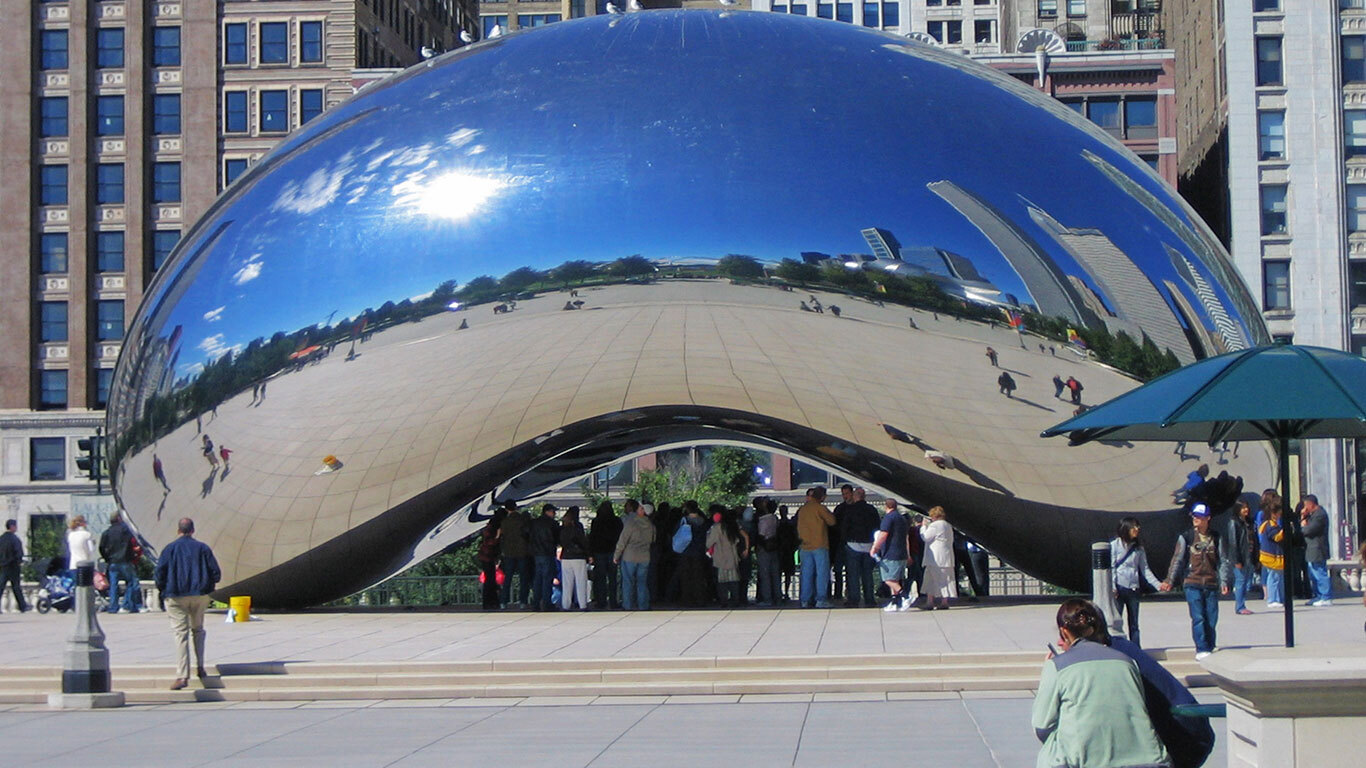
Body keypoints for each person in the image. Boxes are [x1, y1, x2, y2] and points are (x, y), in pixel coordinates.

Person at [1057, 600, 1213, 768]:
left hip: (1180, 735)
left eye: (1063, 637)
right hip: (1190, 727)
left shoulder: (1112, 660)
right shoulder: (1120, 647)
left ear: (1066, 633)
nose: (1059, 643)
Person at [1032, 599, 1172, 768]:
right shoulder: (1127, 662)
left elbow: (1042, 726)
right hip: (1147, 760)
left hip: (1082, 761)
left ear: (1065, 632)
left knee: (1050, 754)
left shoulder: (1056, 666)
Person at [154, 518, 221, 690]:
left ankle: (182, 675)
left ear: (178, 531)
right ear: (192, 530)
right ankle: (200, 667)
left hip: (175, 595)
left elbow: (160, 573)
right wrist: (207, 587)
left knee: (180, 634)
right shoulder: (203, 548)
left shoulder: (169, 549)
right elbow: (216, 573)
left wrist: (163, 590)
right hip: (199, 594)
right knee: (198, 630)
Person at [1161, 503, 1227, 660]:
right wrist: (1170, 579)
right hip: (1192, 582)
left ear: (1207, 518)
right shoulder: (1186, 537)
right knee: (1198, 617)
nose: (1196, 519)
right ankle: (1201, 648)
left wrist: (1224, 581)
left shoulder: (1216, 537)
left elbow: (1223, 560)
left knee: (1211, 618)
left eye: (1199, 517)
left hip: (1211, 583)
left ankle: (1210, 645)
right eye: (1194, 516)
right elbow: (1177, 559)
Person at [1109, 517, 1163, 647]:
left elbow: (1145, 569)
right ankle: (1116, 647)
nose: (1137, 529)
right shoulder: (1114, 546)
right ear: (1125, 528)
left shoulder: (1138, 548)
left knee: (1134, 623)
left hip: (1133, 588)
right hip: (1119, 588)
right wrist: (1113, 586)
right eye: (1133, 526)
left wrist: (1158, 585)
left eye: (1138, 526)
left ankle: (1136, 648)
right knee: (1116, 621)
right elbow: (1111, 568)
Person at [796, 486, 836, 609]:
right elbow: (832, 521)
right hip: (820, 544)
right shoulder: (820, 508)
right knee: (821, 574)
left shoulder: (802, 509)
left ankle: (805, 600)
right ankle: (821, 599)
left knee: (806, 574)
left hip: (805, 545)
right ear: (823, 496)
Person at [842, 488, 880, 607]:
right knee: (867, 573)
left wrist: (845, 539)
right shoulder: (872, 509)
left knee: (853, 574)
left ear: (855, 496)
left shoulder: (850, 510)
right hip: (869, 545)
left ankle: (854, 599)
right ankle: (870, 599)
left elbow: (845, 527)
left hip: (853, 544)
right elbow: (877, 526)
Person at [99, 511, 143, 613]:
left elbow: (101, 547)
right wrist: (132, 554)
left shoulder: (106, 533)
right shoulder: (126, 531)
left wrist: (107, 558)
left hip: (113, 562)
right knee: (131, 582)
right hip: (125, 560)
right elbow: (132, 544)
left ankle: (113, 607)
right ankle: (127, 605)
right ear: (119, 518)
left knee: (113, 585)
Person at [613, 499, 654, 610]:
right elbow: (653, 539)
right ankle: (643, 605)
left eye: (640, 507)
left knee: (628, 582)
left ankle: (627, 605)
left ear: (643, 511)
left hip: (629, 556)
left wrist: (617, 555)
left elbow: (623, 540)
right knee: (642, 582)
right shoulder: (650, 525)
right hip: (645, 556)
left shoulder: (631, 523)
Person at [871, 499, 911, 612]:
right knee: (896, 579)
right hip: (901, 552)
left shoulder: (888, 518)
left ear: (886, 506)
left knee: (888, 579)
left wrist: (875, 547)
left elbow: (883, 534)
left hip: (890, 553)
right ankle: (895, 603)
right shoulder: (901, 519)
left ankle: (906, 596)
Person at [1220, 500, 1259, 615]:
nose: (1246, 510)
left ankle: (1242, 604)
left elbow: (1254, 540)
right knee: (1240, 581)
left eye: (1247, 507)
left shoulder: (1249, 522)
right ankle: (1240, 606)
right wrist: (1237, 560)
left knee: (1246, 581)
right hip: (1240, 557)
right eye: (1243, 508)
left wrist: (1256, 557)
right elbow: (1233, 543)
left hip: (1249, 556)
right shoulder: (1234, 522)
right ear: (1237, 509)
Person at [705, 506, 745, 607]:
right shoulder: (733, 525)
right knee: (734, 579)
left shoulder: (717, 527)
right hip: (733, 555)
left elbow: (709, 543)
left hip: (720, 556)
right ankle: (735, 600)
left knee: (722, 581)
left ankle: (724, 601)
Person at [919, 506, 956, 609]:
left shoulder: (935, 526)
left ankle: (930, 602)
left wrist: (923, 527)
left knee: (932, 579)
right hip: (947, 556)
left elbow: (926, 537)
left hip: (935, 558)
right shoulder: (948, 525)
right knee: (945, 579)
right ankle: (944, 601)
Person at [588, 500, 623, 609]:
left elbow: (592, 537)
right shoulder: (616, 521)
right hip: (612, 551)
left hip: (599, 551)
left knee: (600, 578)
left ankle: (601, 601)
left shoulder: (596, 521)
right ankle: (613, 601)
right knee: (613, 578)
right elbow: (620, 536)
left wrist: (591, 553)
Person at [1300, 494, 1332, 606]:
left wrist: (1303, 526)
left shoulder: (1320, 515)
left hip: (1318, 548)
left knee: (1320, 573)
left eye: (1306, 505)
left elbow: (1309, 530)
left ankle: (1325, 597)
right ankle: (1318, 596)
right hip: (1311, 549)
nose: (1305, 508)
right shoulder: (1312, 515)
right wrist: (1303, 517)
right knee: (1313, 574)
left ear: (1311, 504)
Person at [499, 501, 532, 608]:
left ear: (506, 509)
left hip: (509, 552)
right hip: (522, 551)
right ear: (516, 507)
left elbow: (502, 536)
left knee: (508, 578)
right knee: (524, 578)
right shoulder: (522, 520)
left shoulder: (504, 522)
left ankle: (503, 601)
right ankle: (523, 601)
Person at [1256, 492, 1286, 608]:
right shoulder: (1270, 525)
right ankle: (1272, 599)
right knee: (1273, 578)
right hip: (1271, 557)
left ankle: (1278, 598)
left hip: (1271, 556)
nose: (1279, 515)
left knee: (1277, 578)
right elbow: (1276, 537)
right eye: (1279, 513)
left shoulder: (1268, 524)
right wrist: (1285, 531)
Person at [529, 503, 560, 611]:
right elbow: (557, 538)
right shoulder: (552, 524)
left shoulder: (534, 523)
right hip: (548, 553)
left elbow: (526, 533)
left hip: (537, 553)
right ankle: (547, 603)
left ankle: (536, 603)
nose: (554, 513)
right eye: (553, 511)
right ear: (547, 512)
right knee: (547, 579)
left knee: (538, 578)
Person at [558, 506, 590, 611]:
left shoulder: (562, 528)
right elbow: (583, 542)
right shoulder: (578, 527)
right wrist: (588, 554)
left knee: (567, 583)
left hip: (566, 557)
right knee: (581, 582)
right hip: (578, 557)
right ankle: (582, 604)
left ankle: (565, 605)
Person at [753, 497, 781, 606]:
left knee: (765, 575)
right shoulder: (774, 518)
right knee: (775, 574)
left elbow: (761, 535)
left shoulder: (763, 520)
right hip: (774, 546)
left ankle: (767, 598)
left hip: (764, 548)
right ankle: (778, 597)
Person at [0, 519, 29, 613]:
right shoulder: (14, 539)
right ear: (12, 527)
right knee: (16, 586)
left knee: (1, 586)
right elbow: (18, 552)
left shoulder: (1, 539)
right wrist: (19, 561)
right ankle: (22, 606)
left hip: (3, 566)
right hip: (13, 566)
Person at [476, 511, 502, 610]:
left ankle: (491, 601)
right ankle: (488, 601)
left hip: (488, 556)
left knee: (491, 579)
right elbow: (490, 543)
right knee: (489, 580)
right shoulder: (491, 530)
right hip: (487, 557)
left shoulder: (489, 529)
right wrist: (498, 536)